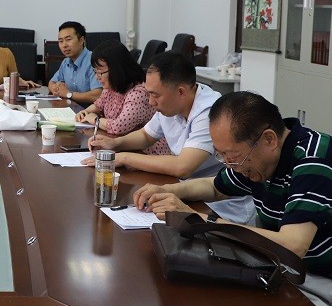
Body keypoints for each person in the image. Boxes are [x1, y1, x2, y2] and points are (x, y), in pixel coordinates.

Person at [132, 90, 332, 306]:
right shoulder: (262, 160)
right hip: (294, 275)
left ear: (269, 140)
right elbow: (215, 187)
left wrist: (201, 220)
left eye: (233, 157)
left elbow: (292, 246)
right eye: (222, 156)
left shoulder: (315, 162)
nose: (230, 165)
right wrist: (168, 191)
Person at [86, 51, 254, 224]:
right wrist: (115, 143)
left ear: (181, 92)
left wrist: (123, 157)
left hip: (220, 207)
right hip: (186, 190)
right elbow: (146, 136)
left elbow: (182, 167)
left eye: (155, 95)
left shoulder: (210, 112)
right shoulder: (171, 104)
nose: (150, 102)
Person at [74, 41, 170, 155]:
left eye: (100, 73)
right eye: (95, 72)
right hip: (121, 145)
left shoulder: (138, 93)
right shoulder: (111, 87)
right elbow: (98, 104)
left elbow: (119, 127)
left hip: (146, 151)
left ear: (116, 70)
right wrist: (86, 112)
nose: (97, 77)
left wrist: (96, 120)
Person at [47, 21, 102, 105]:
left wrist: (68, 94)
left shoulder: (94, 61)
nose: (64, 45)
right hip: (69, 108)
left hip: (90, 111)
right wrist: (55, 89)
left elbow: (97, 95)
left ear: (81, 40)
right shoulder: (65, 62)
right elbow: (51, 83)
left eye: (68, 39)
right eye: (61, 41)